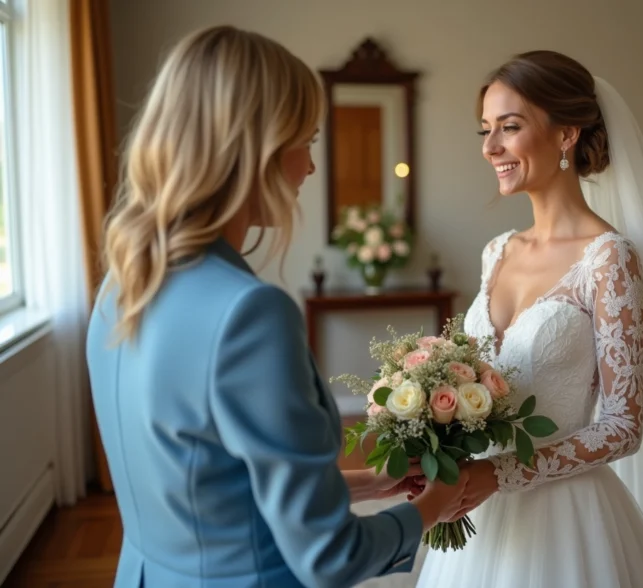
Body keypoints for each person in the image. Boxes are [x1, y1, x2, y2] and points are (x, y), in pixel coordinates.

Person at [86, 25, 469, 588]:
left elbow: (214, 487)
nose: (311, 168)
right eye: (308, 141)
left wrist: (368, 482)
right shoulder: (249, 315)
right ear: (258, 147)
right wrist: (433, 505)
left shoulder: (123, 281)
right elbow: (329, 558)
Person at [415, 51, 643, 587]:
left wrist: (499, 473)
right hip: (478, 510)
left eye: (510, 127)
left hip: (567, 517)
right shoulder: (496, 251)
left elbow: (623, 428)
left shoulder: (610, 258)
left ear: (565, 134)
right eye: (486, 130)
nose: (490, 148)